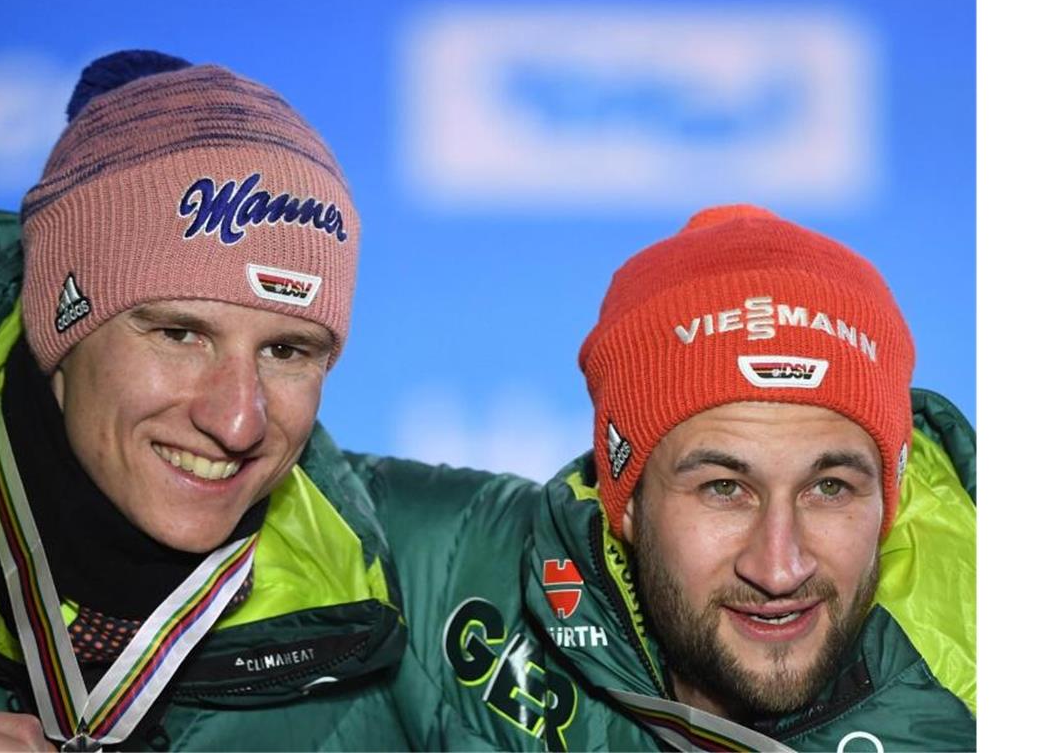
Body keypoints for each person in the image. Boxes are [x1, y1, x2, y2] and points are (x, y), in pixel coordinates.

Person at [0, 49, 495, 751]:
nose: (239, 420)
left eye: (287, 351)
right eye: (181, 334)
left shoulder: (425, 576)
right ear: (57, 318)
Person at [364, 205, 976, 751]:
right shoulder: (440, 573)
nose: (779, 567)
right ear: (625, 500)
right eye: (724, 488)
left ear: (887, 501)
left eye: (830, 488)